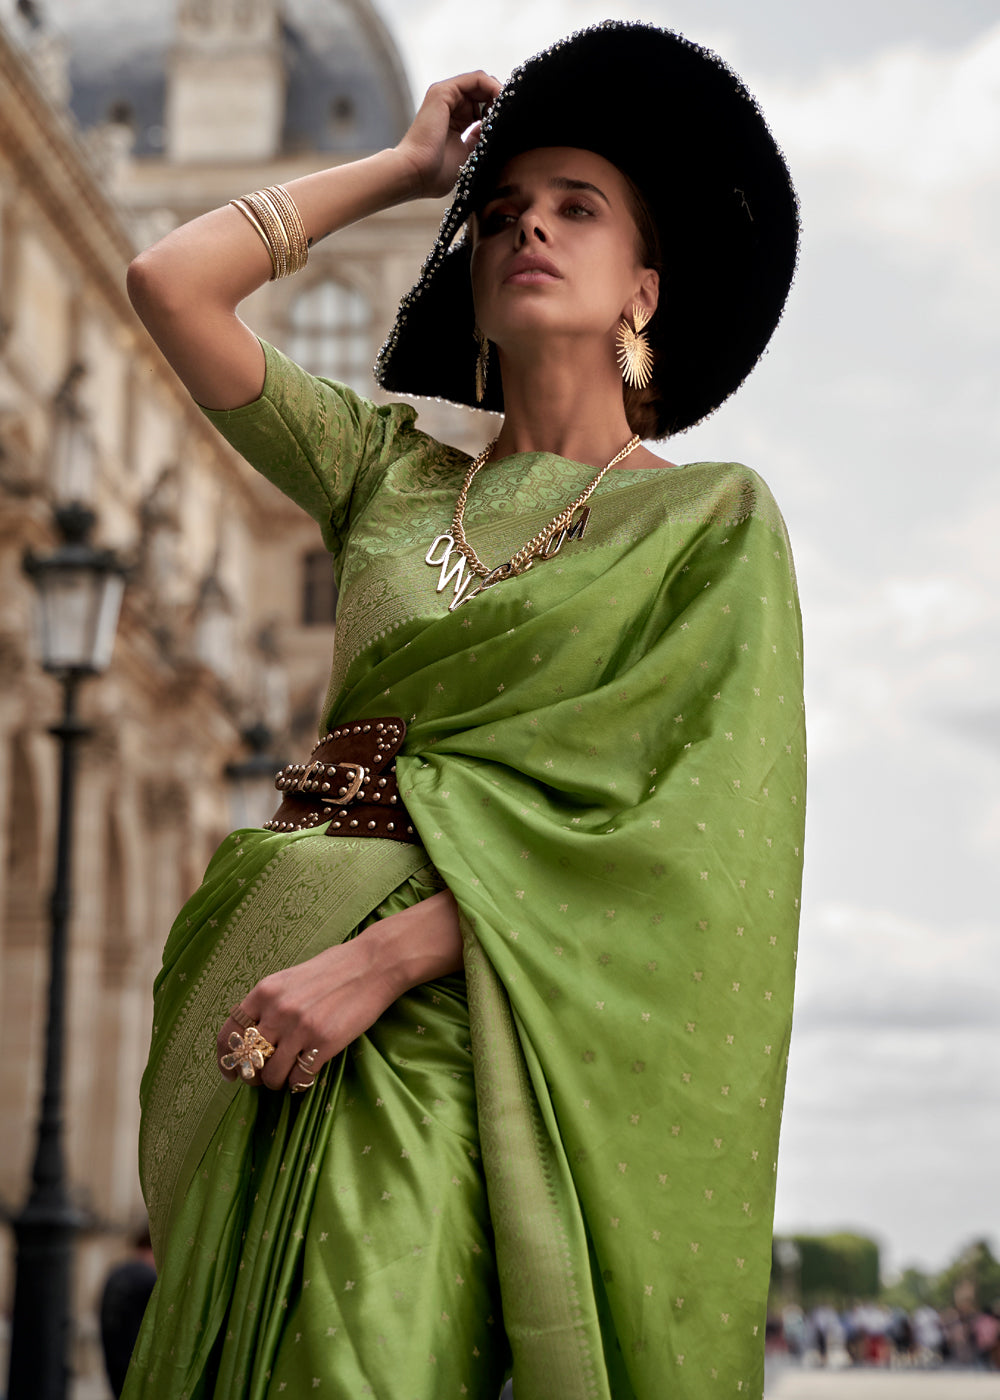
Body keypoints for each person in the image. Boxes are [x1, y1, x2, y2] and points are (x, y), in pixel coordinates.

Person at [122, 21, 805, 1400]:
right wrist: (402, 164)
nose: (527, 230)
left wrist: (377, 963)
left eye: (575, 209)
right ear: (472, 280)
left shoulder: (708, 524)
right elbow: (168, 283)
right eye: (498, 217)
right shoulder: (387, 473)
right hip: (263, 981)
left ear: (644, 287)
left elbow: (695, 845)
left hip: (460, 1017)